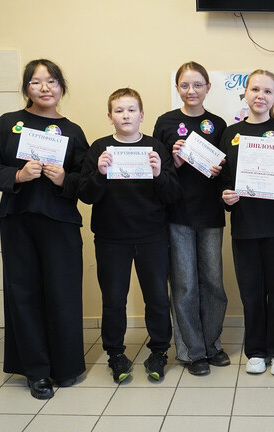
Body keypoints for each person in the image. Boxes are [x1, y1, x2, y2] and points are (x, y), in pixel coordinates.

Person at [0, 59, 88, 399]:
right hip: (18, 220)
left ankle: (66, 366)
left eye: (51, 81)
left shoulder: (72, 131)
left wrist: (64, 179)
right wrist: (18, 175)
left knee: (63, 294)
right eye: (36, 82)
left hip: (61, 223)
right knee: (24, 294)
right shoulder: (9, 123)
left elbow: (87, 183)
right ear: (27, 88)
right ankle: (36, 371)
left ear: (61, 87)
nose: (44, 88)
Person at [79, 88, 181, 383]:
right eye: (119, 110)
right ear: (109, 116)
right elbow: (85, 195)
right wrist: (99, 173)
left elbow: (174, 195)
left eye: (132, 110)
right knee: (113, 300)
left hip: (152, 236)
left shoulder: (155, 148)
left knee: (157, 299)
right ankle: (115, 354)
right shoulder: (99, 148)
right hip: (111, 238)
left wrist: (159, 174)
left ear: (142, 115)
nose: (126, 115)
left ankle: (159, 352)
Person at [219, 69, 274, 376]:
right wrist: (225, 196)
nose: (260, 95)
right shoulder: (231, 134)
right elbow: (222, 179)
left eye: (267, 91)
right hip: (246, 226)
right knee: (251, 293)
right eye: (255, 89)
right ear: (245, 93)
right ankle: (256, 350)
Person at [153, 61, 229, 376]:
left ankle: (212, 345)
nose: (191, 91)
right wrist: (174, 161)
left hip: (210, 213)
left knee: (213, 284)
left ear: (208, 87)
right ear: (177, 88)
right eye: (184, 85)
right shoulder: (166, 122)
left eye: (198, 84)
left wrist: (220, 170)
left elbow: (228, 170)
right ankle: (192, 351)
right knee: (184, 285)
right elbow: (157, 172)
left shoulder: (219, 124)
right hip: (177, 214)